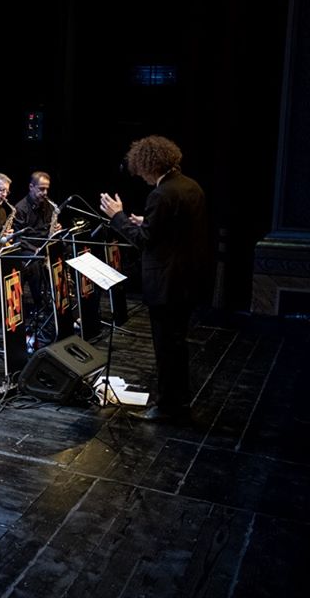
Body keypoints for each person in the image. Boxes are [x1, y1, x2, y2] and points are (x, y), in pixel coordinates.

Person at [100, 135, 208, 423]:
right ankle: (178, 403)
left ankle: (169, 407)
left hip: (167, 282)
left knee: (166, 348)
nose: (141, 177)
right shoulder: (190, 186)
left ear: (148, 165)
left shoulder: (161, 194)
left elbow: (146, 241)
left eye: (141, 170)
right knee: (176, 344)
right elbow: (172, 230)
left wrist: (118, 217)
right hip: (187, 279)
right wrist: (143, 221)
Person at [13, 171, 60, 312]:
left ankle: (61, 298)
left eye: (47, 189)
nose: (45, 192)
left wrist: (57, 229)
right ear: (31, 187)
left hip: (44, 244)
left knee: (67, 250)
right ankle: (39, 304)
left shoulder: (49, 205)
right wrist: (35, 249)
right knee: (34, 262)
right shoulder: (20, 208)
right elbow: (18, 237)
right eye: (41, 189)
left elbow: (49, 228)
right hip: (27, 247)